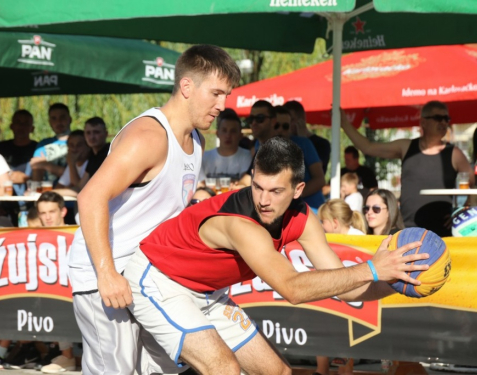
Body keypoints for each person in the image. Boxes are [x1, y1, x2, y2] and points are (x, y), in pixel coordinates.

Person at [123, 137, 429, 374]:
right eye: (258, 187)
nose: (263, 200)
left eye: (275, 191)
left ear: (298, 190)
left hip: (206, 292)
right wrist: (372, 268)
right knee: (223, 368)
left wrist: (395, 277)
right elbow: (293, 288)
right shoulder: (242, 224)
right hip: (159, 281)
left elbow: (350, 289)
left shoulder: (305, 218)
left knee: (277, 370)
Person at [68, 44, 240, 375]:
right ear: (187, 86)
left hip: (148, 276)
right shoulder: (148, 135)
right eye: (217, 94)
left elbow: (167, 213)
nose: (223, 106)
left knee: (165, 365)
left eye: (227, 95)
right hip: (106, 272)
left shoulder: (197, 141)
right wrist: (106, 274)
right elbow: (90, 198)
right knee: (115, 370)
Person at [341, 101, 472, 237]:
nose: (444, 122)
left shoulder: (454, 154)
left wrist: (461, 213)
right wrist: (343, 122)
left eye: (447, 119)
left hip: (441, 232)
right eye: (438, 118)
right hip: (408, 228)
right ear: (423, 122)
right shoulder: (406, 147)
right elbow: (367, 147)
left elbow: (476, 186)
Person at [314, 198, 366, 375]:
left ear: (335, 223)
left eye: (323, 222)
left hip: (352, 302)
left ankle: (343, 370)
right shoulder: (327, 239)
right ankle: (322, 370)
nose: (321, 225)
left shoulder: (358, 239)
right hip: (333, 298)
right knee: (321, 323)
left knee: (345, 350)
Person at [35, 191, 76, 373]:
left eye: (52, 211)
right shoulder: (35, 237)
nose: (48, 217)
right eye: (43, 213)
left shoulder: (78, 233)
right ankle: (66, 355)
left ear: (63, 212)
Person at [201, 111, 252, 181]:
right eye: (224, 130)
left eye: (233, 131)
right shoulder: (204, 156)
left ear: (240, 135)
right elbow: (200, 184)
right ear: (217, 133)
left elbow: (246, 182)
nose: (228, 135)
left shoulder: (247, 155)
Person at [283, 100, 331, 175]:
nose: (287, 124)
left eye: (291, 120)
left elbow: (314, 170)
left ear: (302, 119)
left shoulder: (322, 144)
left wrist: (303, 141)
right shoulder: (284, 142)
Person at [30, 103, 72, 184]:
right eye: (54, 118)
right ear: (49, 122)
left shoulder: (81, 142)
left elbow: (80, 175)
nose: (58, 122)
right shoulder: (43, 145)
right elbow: (37, 177)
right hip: (48, 193)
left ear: (70, 119)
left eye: (62, 117)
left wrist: (46, 165)